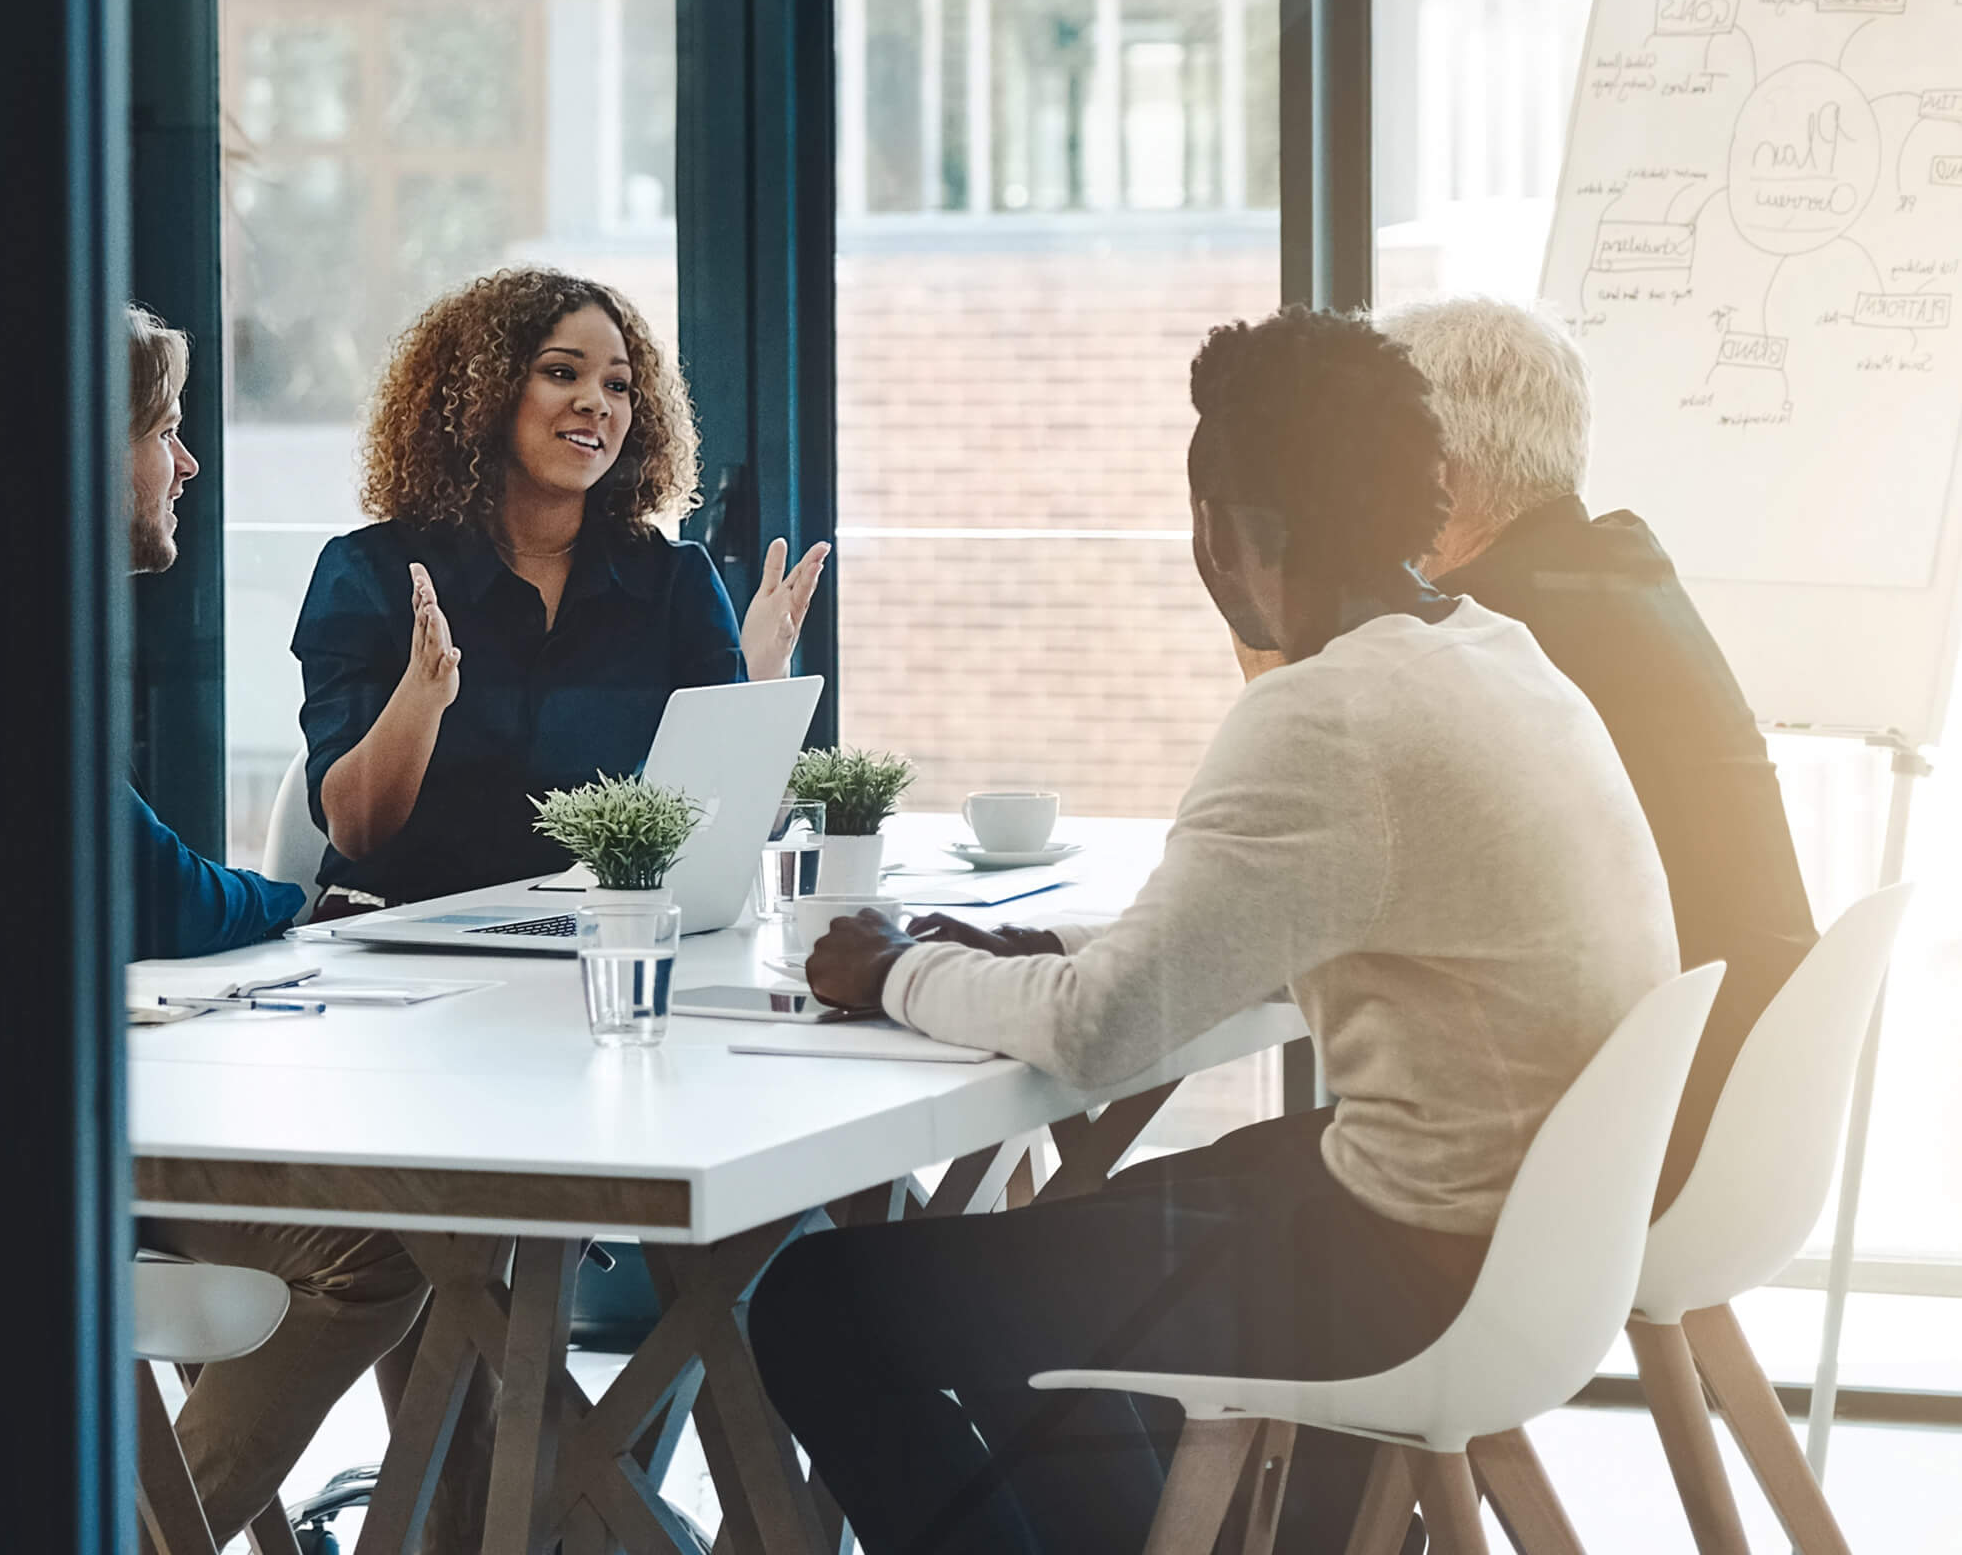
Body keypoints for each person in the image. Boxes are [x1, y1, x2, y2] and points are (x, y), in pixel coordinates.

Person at [755, 307, 1678, 1555]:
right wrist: (1063, 955)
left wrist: (893, 970)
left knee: (822, 1303)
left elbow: (1099, 1035)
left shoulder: (1326, 714)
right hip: (1533, 1254)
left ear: (1234, 532)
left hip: (1414, 1280)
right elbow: (1271, 921)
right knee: (1086, 1232)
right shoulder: (1498, 655)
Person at [0, 309, 425, 1551]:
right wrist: (302, 908)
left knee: (390, 1215)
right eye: (164, 430)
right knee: (379, 1249)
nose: (188, 463)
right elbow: (141, 891)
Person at [1373, 294, 1818, 1210]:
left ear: (1433, 473)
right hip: (1742, 1118)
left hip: (1620, 1149)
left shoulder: (1488, 633)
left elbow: (1332, 880)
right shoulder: (1618, 572)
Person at [293, 266, 827, 907]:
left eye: (618, 384)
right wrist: (423, 697)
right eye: (561, 372)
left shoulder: (675, 582)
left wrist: (761, 683)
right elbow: (356, 830)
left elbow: (738, 825)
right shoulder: (370, 574)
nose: (597, 402)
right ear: (484, 393)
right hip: (395, 929)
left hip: (598, 923)